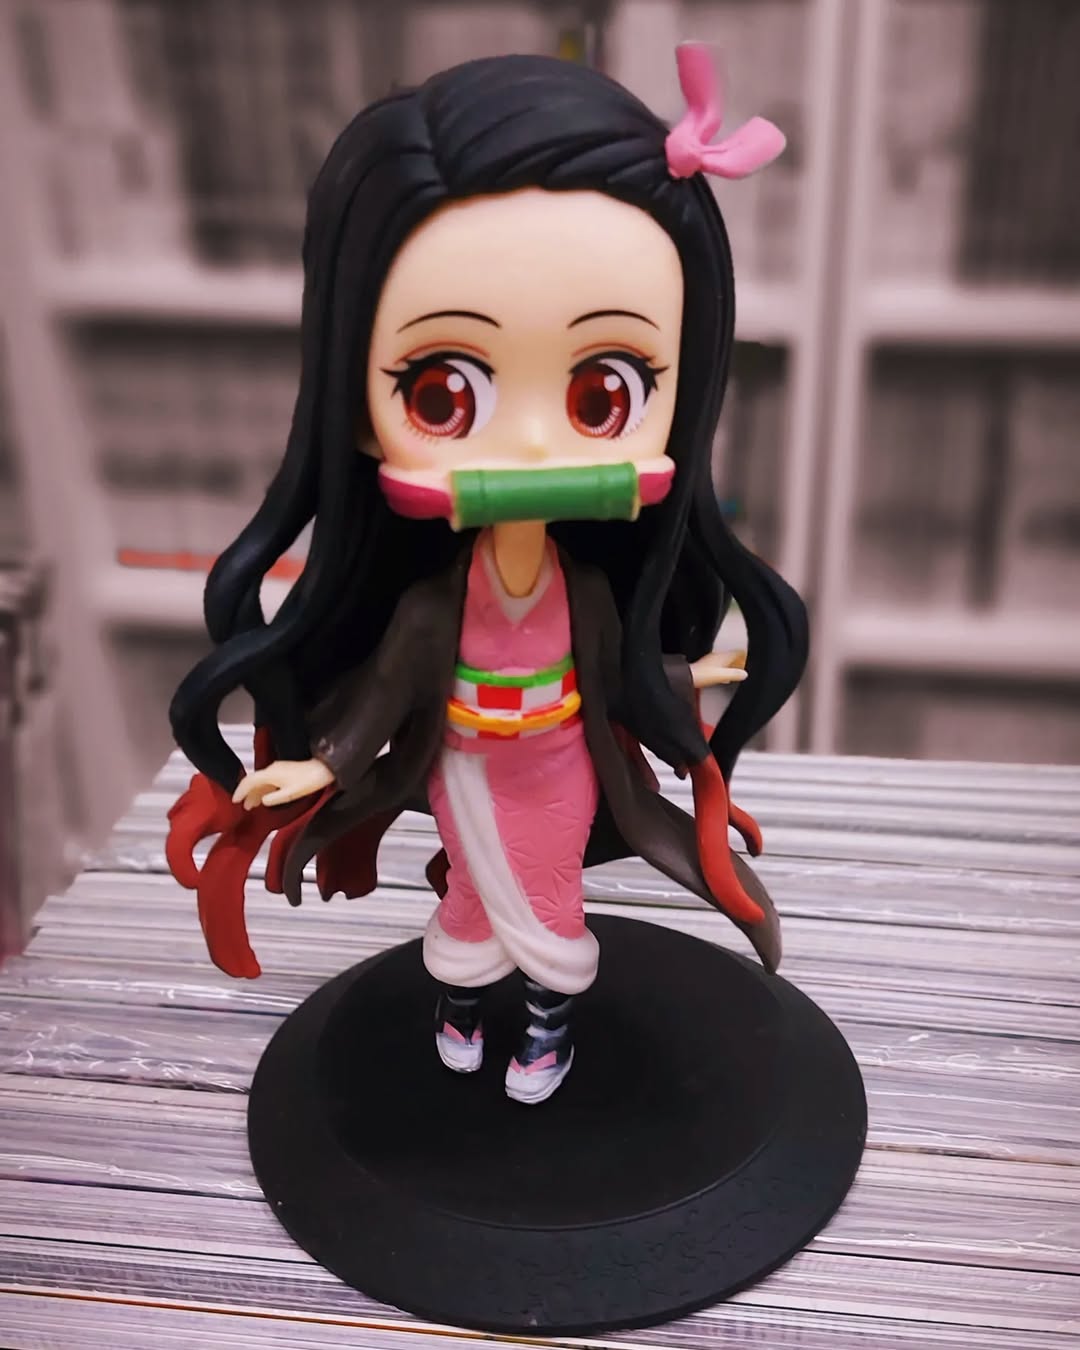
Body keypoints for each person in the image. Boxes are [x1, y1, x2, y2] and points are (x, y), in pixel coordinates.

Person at [167, 45, 808, 1105]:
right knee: (470, 897)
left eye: (603, 394)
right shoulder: (432, 605)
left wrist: (689, 681)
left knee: (550, 897)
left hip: (557, 765)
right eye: (441, 393)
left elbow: (618, 672)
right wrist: (317, 768)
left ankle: (546, 1027)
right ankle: (462, 1005)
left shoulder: (588, 590)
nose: (534, 449)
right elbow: (384, 697)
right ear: (356, 400)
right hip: (463, 760)